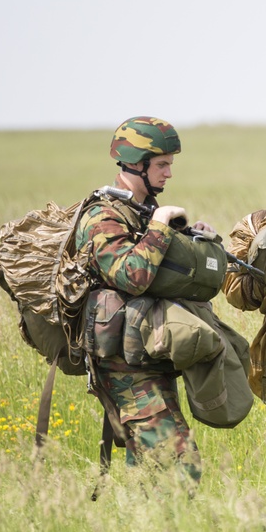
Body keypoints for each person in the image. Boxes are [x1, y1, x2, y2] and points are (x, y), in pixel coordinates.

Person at [78, 116, 215, 487]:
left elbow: (164, 277)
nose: (169, 173)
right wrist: (159, 226)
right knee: (180, 464)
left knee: (150, 465)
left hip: (149, 355)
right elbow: (130, 275)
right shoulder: (102, 215)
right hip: (122, 365)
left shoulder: (142, 212)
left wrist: (194, 244)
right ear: (135, 163)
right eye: (162, 164)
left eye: (170, 164)